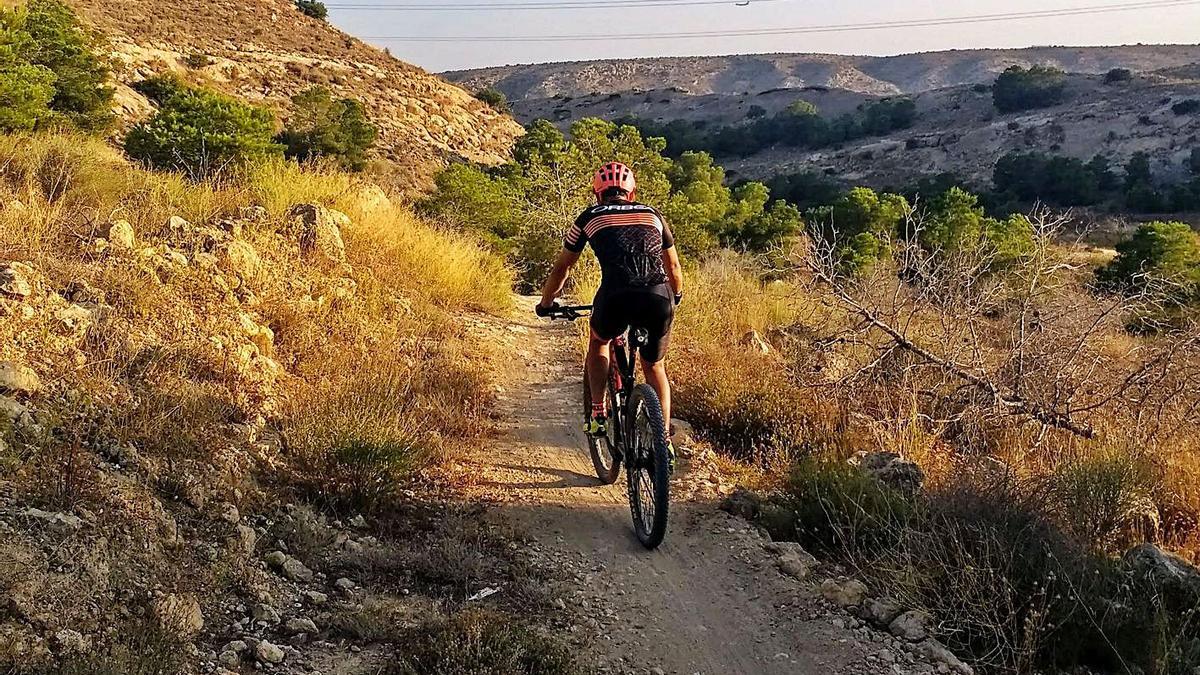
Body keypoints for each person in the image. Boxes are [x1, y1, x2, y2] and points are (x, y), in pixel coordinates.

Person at [536, 161, 684, 464]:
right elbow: (674, 268)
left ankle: (599, 413)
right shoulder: (654, 215)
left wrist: (546, 302)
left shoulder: (589, 216)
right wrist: (676, 296)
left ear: (597, 194)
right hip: (658, 298)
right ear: (631, 193)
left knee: (600, 341)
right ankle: (663, 442)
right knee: (655, 366)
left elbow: (562, 267)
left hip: (615, 297)